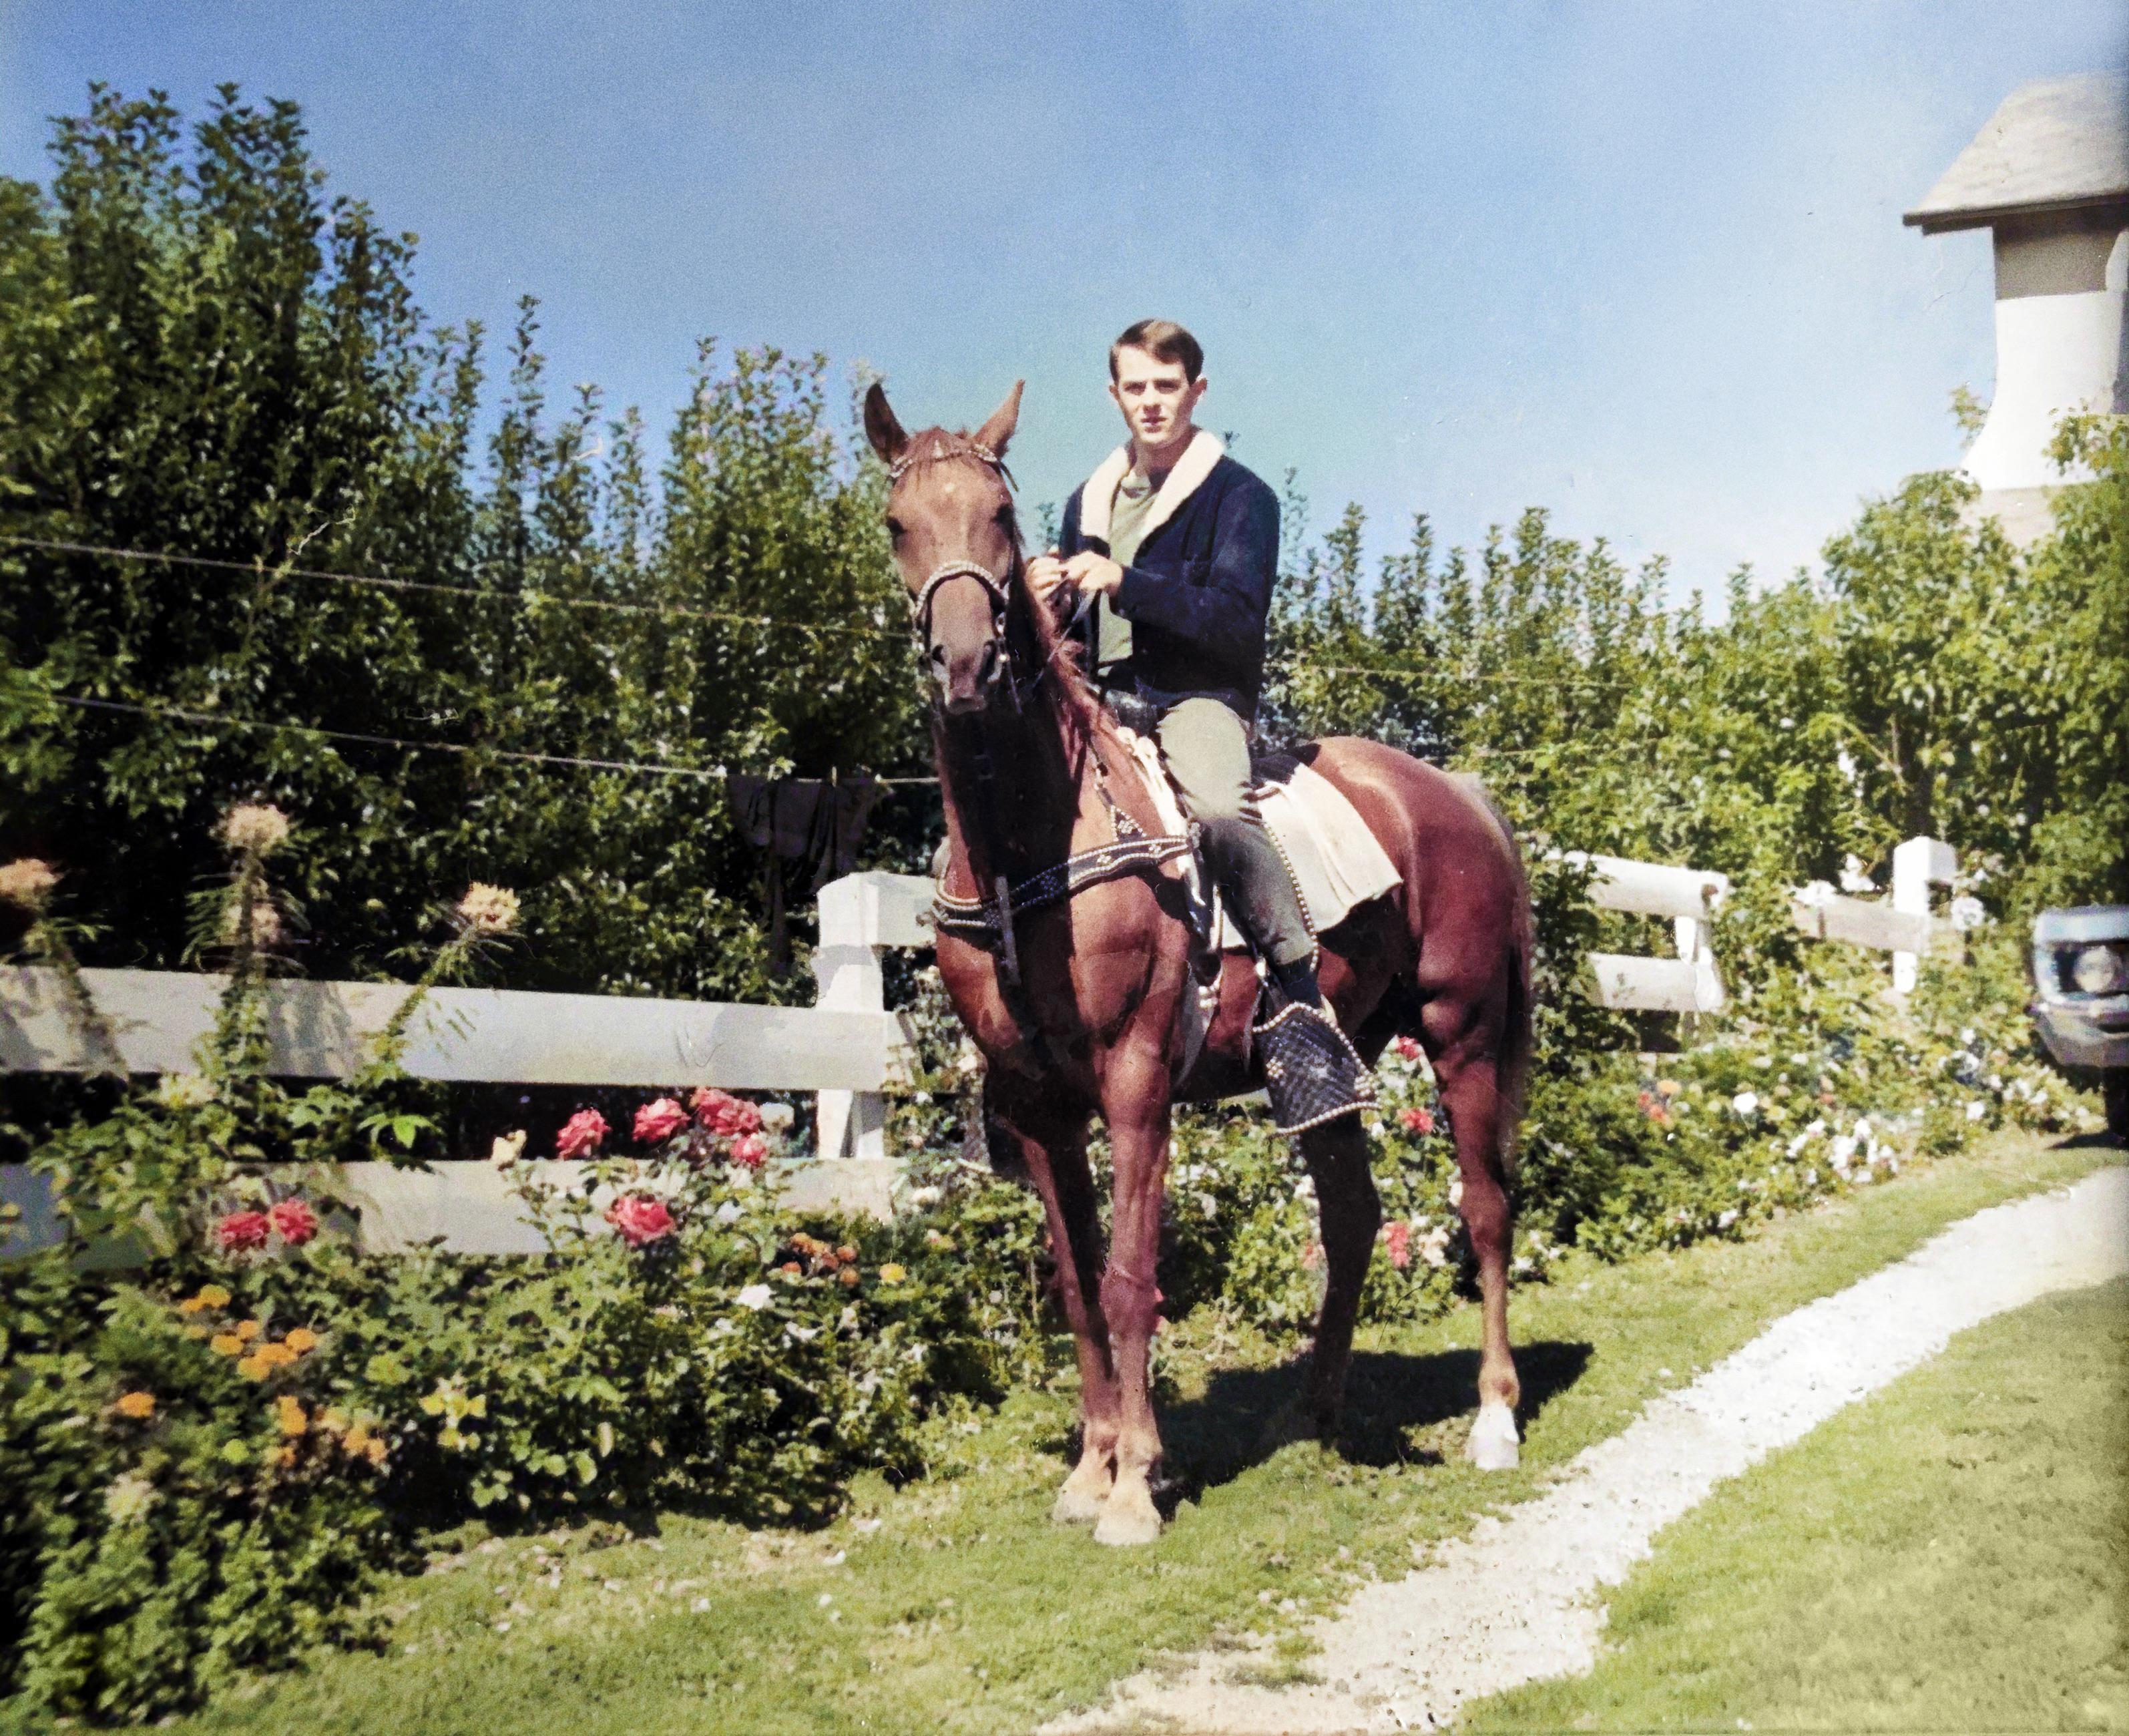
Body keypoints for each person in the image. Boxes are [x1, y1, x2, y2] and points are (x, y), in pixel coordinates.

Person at [1029, 318, 1371, 1126]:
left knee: (1218, 810)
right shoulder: (1088, 500)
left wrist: (1126, 580)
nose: (1151, 402)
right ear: (1114, 394)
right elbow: (1077, 635)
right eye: (1136, 387)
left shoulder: (1241, 496)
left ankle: (1299, 996)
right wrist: (1044, 600)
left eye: (1167, 385)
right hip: (1101, 703)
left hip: (1195, 698)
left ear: (1197, 391)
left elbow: (1236, 620)